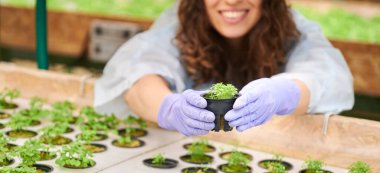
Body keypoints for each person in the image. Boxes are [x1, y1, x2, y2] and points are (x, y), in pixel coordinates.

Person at [95, 0, 354, 136]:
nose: (231, 1)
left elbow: (326, 75)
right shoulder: (179, 25)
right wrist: (170, 108)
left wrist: (282, 92)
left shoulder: (293, 29)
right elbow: (137, 72)